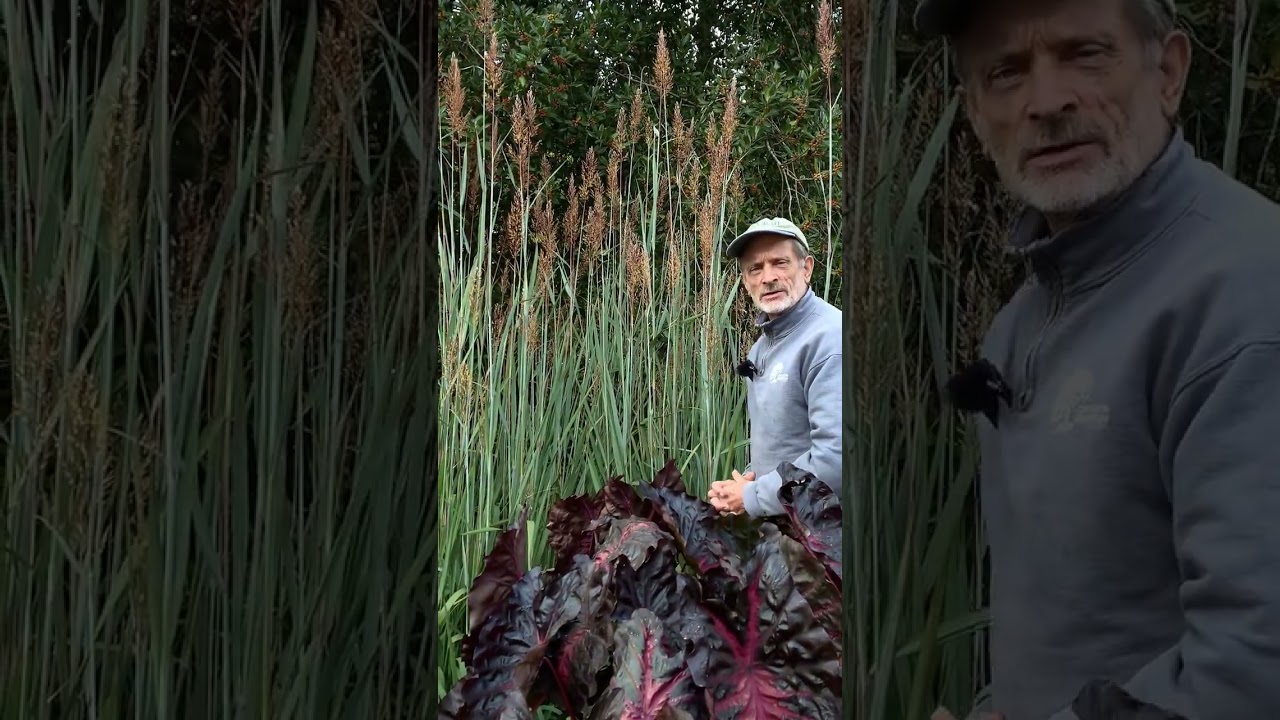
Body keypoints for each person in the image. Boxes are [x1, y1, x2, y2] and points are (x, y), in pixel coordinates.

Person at [914, 0, 1280, 718]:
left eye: (1085, 53)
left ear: (1168, 71)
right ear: (975, 110)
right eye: (1007, 71)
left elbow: (1254, 662)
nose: (1046, 102)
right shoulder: (1020, 325)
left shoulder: (1246, 295)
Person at [706, 217, 842, 519]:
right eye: (755, 268)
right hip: (785, 532)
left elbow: (836, 460)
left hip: (826, 541)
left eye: (780, 263)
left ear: (806, 268)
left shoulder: (830, 339)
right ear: (745, 281)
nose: (768, 277)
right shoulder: (761, 348)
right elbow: (783, 445)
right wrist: (741, 487)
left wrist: (752, 496)